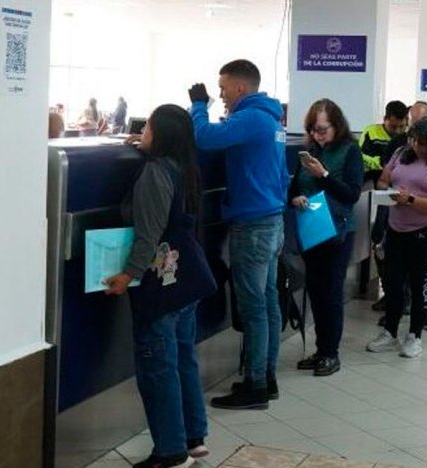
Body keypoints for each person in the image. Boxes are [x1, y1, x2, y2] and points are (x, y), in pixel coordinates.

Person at [104, 104, 212, 468]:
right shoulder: (185, 167)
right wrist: (142, 144)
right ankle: (193, 438)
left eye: (148, 128)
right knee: (182, 360)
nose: (143, 133)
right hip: (186, 280)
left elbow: (148, 235)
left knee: (159, 369)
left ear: (162, 135)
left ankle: (170, 452)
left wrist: (127, 275)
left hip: (160, 286)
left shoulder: (155, 173)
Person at [188, 59, 289, 410]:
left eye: (223, 88)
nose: (221, 95)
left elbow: (204, 137)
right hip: (271, 221)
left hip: (253, 225)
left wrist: (198, 105)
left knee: (255, 308)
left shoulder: (251, 117)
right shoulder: (271, 119)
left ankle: (255, 385)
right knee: (268, 303)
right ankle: (267, 378)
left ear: (240, 87)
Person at [365, 118, 427, 358]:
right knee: (393, 283)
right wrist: (387, 190)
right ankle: (390, 331)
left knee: (420, 283)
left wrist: (411, 200)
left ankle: (415, 335)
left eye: (422, 143)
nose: (416, 146)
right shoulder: (401, 154)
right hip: (397, 228)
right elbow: (384, 179)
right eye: (414, 140)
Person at [290, 99, 363, 377]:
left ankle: (330, 352)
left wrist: (324, 175)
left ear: (336, 125)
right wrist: (295, 197)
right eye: (313, 130)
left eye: (322, 129)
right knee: (316, 291)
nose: (317, 135)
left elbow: (351, 194)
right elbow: (296, 186)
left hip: (338, 231)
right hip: (312, 229)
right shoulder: (309, 151)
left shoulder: (350, 151)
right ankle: (321, 349)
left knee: (331, 292)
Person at [371, 102, 427, 313]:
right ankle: (394, 299)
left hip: (423, 218)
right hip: (394, 211)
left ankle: (422, 308)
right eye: (413, 123)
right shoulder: (399, 146)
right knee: (385, 252)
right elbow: (384, 178)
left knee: (421, 263)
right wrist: (390, 191)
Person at [359, 100, 408, 173]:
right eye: (393, 127)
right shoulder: (371, 132)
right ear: (385, 119)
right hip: (373, 174)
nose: (397, 131)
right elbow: (360, 157)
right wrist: (381, 163)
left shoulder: (409, 137)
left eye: (401, 126)